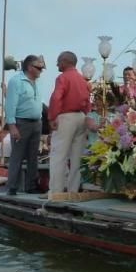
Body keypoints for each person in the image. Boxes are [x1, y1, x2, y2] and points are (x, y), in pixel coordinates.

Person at [48, 51, 92, 195]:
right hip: (81, 117)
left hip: (66, 117)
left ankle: (56, 192)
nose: (57, 64)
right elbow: (87, 102)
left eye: (58, 61)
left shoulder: (62, 78)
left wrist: (52, 117)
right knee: (77, 157)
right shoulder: (82, 79)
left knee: (58, 156)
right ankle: (73, 191)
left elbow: (56, 98)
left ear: (65, 62)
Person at [4, 55, 46, 195]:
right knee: (17, 155)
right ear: (29, 67)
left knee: (33, 156)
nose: (41, 70)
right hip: (21, 122)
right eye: (39, 67)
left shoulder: (37, 82)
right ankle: (12, 186)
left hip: (36, 123)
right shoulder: (16, 81)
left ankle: (30, 186)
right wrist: (12, 126)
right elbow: (10, 105)